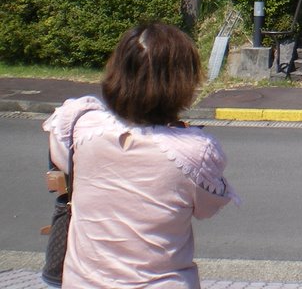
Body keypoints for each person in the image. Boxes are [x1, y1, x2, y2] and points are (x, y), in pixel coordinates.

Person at [43, 22, 238, 289]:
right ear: (184, 82)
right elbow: (207, 208)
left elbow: (59, 147)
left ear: (117, 71)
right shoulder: (195, 151)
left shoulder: (80, 123)